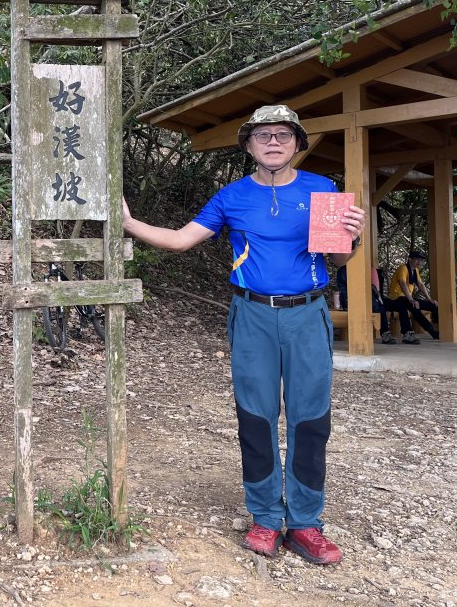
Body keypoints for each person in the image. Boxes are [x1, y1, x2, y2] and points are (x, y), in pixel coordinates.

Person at [122, 104, 366, 566]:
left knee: (310, 419)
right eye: (262, 135)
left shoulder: (322, 190)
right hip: (252, 315)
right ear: (248, 145)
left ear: (297, 142)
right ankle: (265, 518)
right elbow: (180, 240)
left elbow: (338, 262)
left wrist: (353, 239)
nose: (273, 142)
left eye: (282, 135)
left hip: (307, 314)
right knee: (255, 417)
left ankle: (306, 523)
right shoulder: (231, 197)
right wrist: (130, 224)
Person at [335, 265, 397, 344]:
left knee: (380, 308)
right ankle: (385, 334)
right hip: (353, 302)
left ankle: (385, 333)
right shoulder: (347, 270)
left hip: (352, 302)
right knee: (380, 309)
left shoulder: (344, 270)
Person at [386, 251, 439, 342]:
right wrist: (411, 300)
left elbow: (420, 284)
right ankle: (410, 334)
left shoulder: (415, 270)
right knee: (414, 306)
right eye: (417, 259)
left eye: (421, 260)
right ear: (410, 259)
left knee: (433, 305)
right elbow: (403, 284)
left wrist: (429, 299)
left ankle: (444, 328)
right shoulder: (403, 268)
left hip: (407, 298)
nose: (419, 262)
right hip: (397, 298)